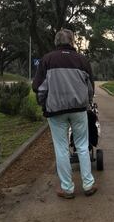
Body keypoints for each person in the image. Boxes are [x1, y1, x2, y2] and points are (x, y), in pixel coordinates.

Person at [32, 29, 97, 198]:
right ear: (72, 42)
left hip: (55, 111)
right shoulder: (82, 60)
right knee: (82, 146)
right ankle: (88, 185)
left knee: (61, 148)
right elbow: (90, 88)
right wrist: (88, 102)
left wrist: (43, 103)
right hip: (79, 110)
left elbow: (38, 87)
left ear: (56, 42)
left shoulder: (47, 60)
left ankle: (67, 188)